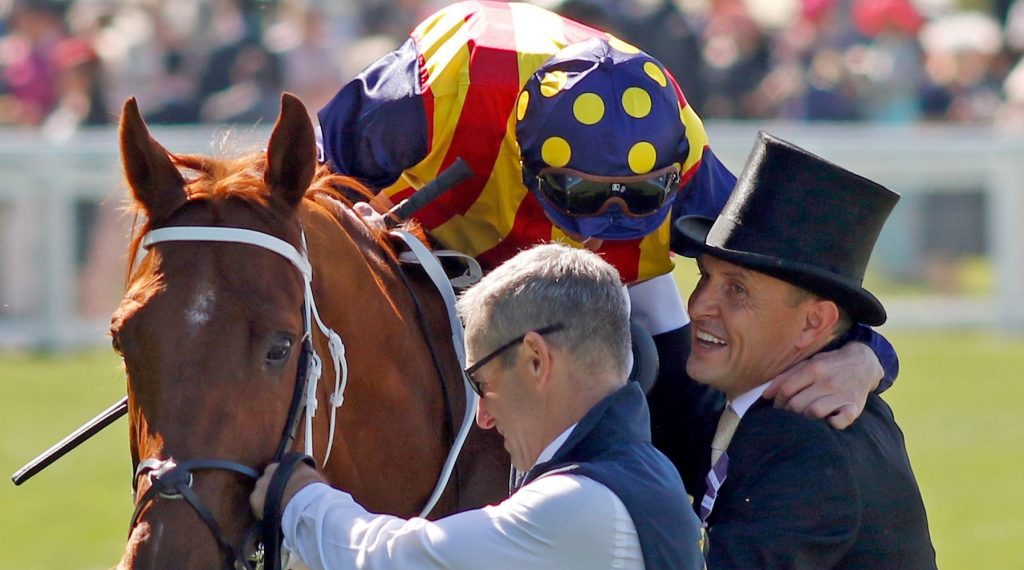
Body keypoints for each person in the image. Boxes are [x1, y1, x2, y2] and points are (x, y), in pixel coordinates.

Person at [317, 0, 898, 469]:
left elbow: (807, 291)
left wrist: (868, 357)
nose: (600, 234)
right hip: (429, 239)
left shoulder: (691, 167)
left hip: (594, 271)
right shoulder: (435, 87)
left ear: (671, 173)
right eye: (579, 197)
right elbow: (301, 186)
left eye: (641, 201)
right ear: (525, 161)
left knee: (670, 394)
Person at [250, 244, 719, 570]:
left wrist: (297, 496)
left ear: (535, 359)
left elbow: (385, 561)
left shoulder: (585, 503)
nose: (484, 417)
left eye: (481, 383)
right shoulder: (636, 481)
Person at [672, 132, 973, 570]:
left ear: (815, 323)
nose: (698, 306)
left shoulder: (807, 441)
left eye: (736, 290)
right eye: (705, 278)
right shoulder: (766, 402)